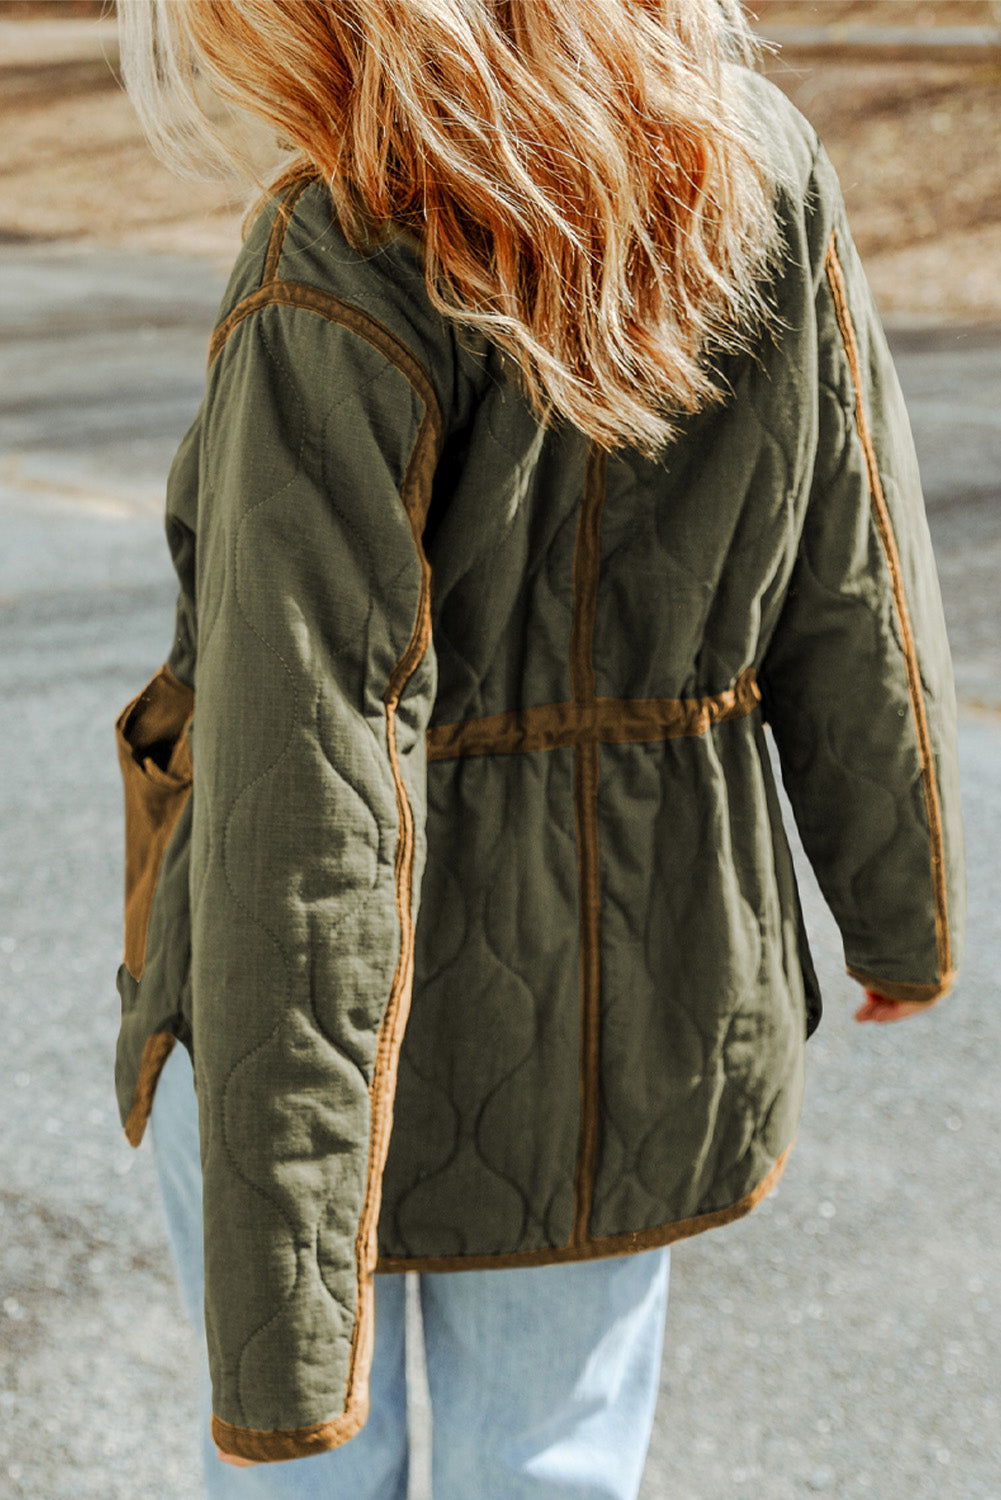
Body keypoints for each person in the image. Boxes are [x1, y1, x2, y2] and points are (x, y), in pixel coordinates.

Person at [111, 2, 965, 1495]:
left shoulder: (340, 246)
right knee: (558, 1465)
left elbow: (301, 789)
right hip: (647, 990)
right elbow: (857, 578)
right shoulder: (750, 164)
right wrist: (901, 911)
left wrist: (280, 1349)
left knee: (312, 1472)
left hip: (313, 1034)